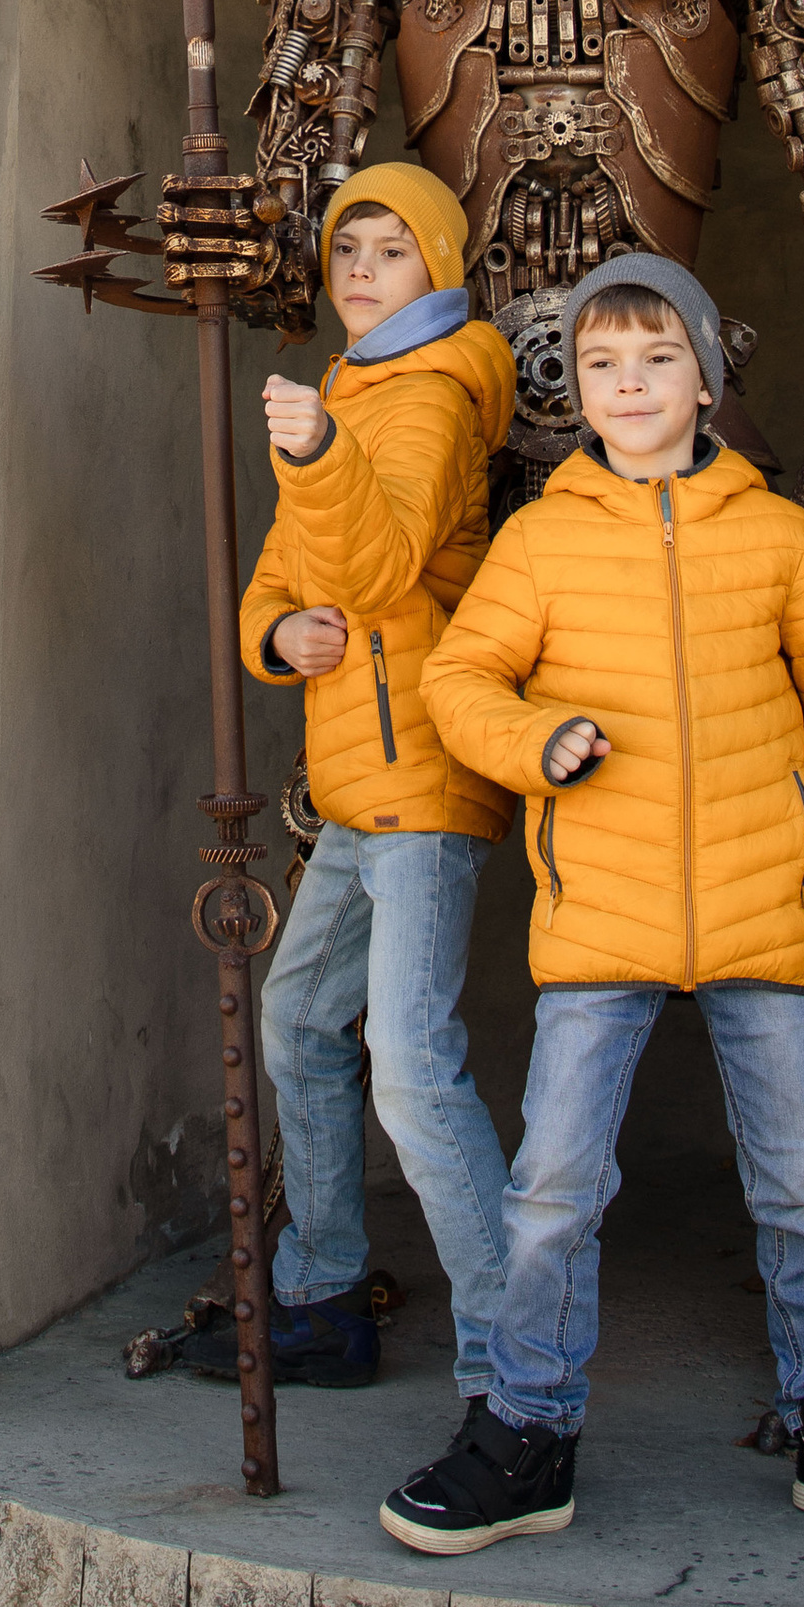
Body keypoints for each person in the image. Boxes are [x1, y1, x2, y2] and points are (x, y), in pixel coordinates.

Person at [378, 251, 804, 1556]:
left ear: (705, 376)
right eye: (600, 364)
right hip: (601, 922)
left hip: (767, 919)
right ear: (574, 391)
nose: (628, 385)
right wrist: (537, 744)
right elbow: (461, 682)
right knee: (553, 1195)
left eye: (655, 360)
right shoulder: (541, 540)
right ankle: (526, 1434)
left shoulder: (777, 536)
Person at [185, 163, 517, 1405]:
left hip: (422, 780)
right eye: (347, 250)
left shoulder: (429, 394)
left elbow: (376, 571)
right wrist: (277, 642)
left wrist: (320, 454)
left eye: (390, 248)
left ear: (436, 263)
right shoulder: (353, 390)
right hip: (355, 785)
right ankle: (322, 1296)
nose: (361, 268)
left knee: (415, 1071)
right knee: (297, 1025)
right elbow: (279, 584)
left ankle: (510, 1357)